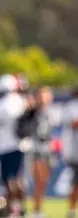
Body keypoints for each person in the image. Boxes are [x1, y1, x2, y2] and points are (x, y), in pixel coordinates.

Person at [0, 74, 34, 217]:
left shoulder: (0, 105)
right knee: (19, 178)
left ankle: (13, 209)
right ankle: (20, 207)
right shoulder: (22, 101)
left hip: (6, 147)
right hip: (22, 145)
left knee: (9, 179)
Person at [29, 86, 54, 218]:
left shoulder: (51, 112)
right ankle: (36, 210)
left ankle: (38, 208)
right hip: (36, 148)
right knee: (38, 180)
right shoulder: (33, 112)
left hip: (48, 149)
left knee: (44, 181)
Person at [61, 88, 78, 218]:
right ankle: (72, 210)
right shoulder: (72, 106)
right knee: (75, 183)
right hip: (75, 152)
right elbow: (74, 123)